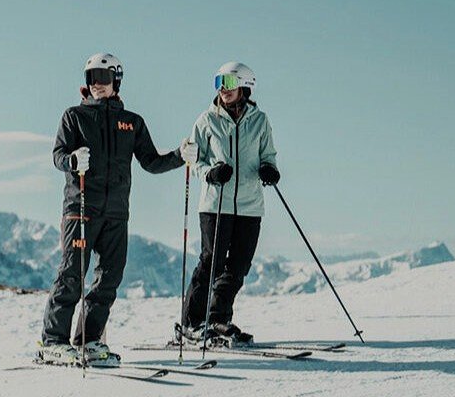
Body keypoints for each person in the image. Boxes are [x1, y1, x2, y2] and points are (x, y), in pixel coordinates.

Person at [39, 52, 194, 366]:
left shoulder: (132, 122)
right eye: (91, 78)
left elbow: (151, 162)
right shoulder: (74, 117)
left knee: (109, 278)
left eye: (103, 78)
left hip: (116, 213)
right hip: (80, 209)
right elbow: (58, 155)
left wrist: (180, 155)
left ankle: (89, 340)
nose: (97, 84)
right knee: (72, 275)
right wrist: (71, 161)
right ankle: (52, 342)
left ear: (116, 81)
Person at [181, 61, 279, 345]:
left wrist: (269, 170)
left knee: (238, 266)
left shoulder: (260, 120)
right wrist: (210, 173)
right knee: (211, 261)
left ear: (245, 86)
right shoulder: (206, 120)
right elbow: (195, 160)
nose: (223, 89)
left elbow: (268, 154)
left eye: (229, 82)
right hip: (215, 204)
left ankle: (219, 319)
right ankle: (193, 322)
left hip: (250, 205)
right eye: (219, 82)